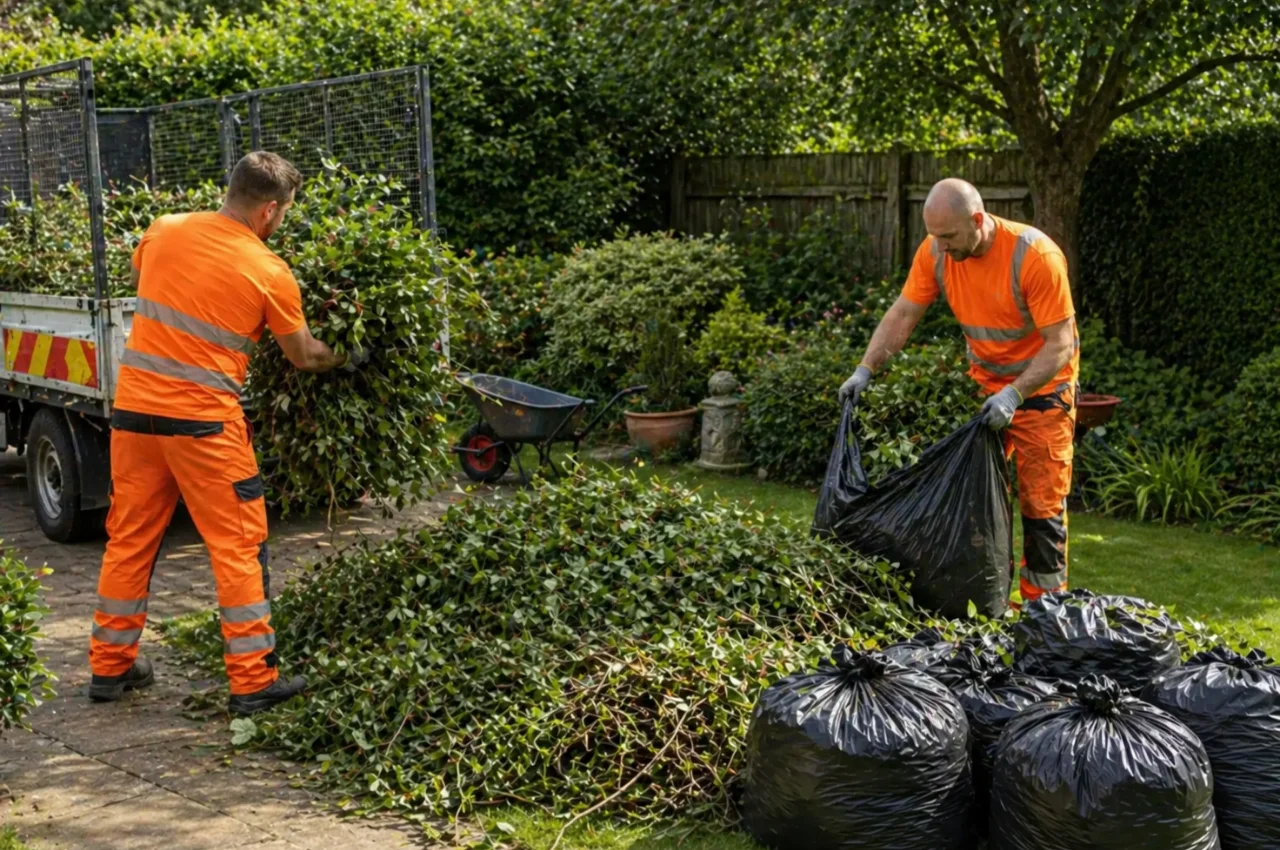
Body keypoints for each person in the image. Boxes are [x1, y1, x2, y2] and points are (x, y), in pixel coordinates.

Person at [87, 151, 365, 715]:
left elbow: (143, 278)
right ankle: (252, 679)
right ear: (269, 210)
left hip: (134, 417)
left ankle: (108, 668)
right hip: (204, 426)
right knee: (238, 546)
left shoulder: (164, 229)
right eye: (284, 212)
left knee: (130, 538)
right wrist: (350, 356)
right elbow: (304, 356)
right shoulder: (268, 270)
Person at [839, 178, 1079, 606]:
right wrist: (865, 369)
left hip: (1041, 393)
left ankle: (1046, 614)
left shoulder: (1034, 255)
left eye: (949, 236)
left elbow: (1060, 344)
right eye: (935, 236)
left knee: (1041, 508)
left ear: (978, 220)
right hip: (983, 391)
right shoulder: (936, 251)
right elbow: (904, 313)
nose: (942, 247)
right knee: (972, 499)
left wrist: (1014, 395)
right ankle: (981, 599)